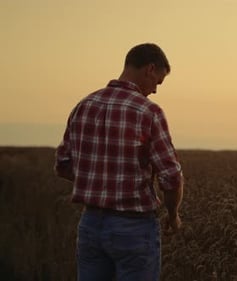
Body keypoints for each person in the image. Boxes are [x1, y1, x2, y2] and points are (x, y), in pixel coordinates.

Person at [54, 43, 184, 281]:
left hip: (90, 225)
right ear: (150, 69)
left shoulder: (84, 105)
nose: (155, 90)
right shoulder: (149, 112)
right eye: (158, 82)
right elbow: (171, 176)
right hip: (134, 228)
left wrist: (97, 178)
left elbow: (63, 163)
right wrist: (173, 214)